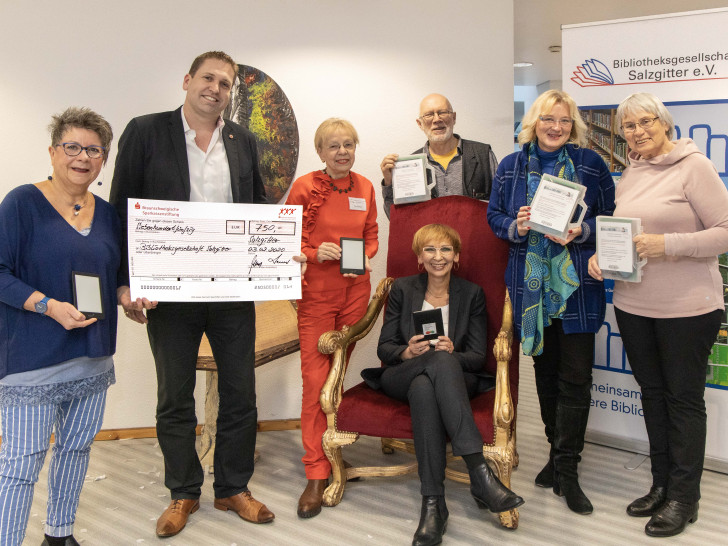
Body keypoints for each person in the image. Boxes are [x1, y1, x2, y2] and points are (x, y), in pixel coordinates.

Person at [109, 51, 274, 538]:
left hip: (231, 289)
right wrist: (127, 281)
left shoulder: (243, 141)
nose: (216, 88)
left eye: (225, 83)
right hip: (168, 290)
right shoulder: (146, 131)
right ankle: (183, 492)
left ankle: (232, 489)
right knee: (174, 396)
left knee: (241, 393)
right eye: (208, 78)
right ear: (187, 80)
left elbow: (259, 209)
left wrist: (274, 254)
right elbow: (122, 209)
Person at [588, 92, 728, 538]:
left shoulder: (695, 166)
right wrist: (600, 259)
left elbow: (725, 232)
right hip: (634, 305)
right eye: (629, 126)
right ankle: (662, 484)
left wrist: (667, 246)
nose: (637, 132)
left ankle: (685, 498)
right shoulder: (630, 172)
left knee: (683, 402)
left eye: (645, 122)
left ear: (665, 123)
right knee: (652, 395)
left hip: (688, 308)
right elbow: (624, 235)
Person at [487, 89, 615, 515]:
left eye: (563, 120)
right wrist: (516, 225)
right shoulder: (511, 165)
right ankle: (555, 456)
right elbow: (494, 218)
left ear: (572, 124)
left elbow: (611, 217)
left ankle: (568, 469)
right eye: (547, 120)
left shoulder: (591, 164)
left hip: (578, 286)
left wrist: (585, 230)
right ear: (534, 123)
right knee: (545, 373)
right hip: (531, 289)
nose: (555, 127)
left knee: (575, 378)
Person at [0, 107, 119, 546]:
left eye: (93, 149)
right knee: (20, 464)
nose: (82, 157)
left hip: (92, 355)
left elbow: (115, 274)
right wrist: (47, 305)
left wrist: (128, 296)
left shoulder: (107, 214)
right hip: (33, 358)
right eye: (72, 147)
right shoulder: (21, 203)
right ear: (52, 152)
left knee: (75, 451)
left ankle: (59, 534)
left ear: (102, 159)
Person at [362, 224, 523, 546]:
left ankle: (433, 505)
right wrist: (408, 350)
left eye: (446, 249)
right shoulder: (404, 289)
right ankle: (479, 472)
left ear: (457, 256)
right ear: (420, 258)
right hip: (403, 371)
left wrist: (452, 352)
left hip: (453, 375)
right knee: (427, 370)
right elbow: (384, 348)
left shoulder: (472, 294)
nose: (439, 257)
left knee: (427, 385)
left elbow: (477, 356)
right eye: (430, 250)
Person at [285, 118, 378, 518]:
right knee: (315, 382)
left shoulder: (366, 187)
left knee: (337, 376)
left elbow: (372, 234)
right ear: (320, 152)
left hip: (356, 293)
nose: (342, 152)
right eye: (333, 146)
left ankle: (334, 449)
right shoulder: (305, 186)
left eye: (348, 145)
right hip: (318, 296)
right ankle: (317, 471)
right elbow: (285, 236)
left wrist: (365, 256)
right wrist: (311, 250)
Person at [379, 93, 498, 218]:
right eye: (429, 115)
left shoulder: (483, 154)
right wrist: (389, 182)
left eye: (442, 112)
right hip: (429, 237)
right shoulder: (411, 165)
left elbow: (503, 203)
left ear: (454, 117)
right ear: (420, 124)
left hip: (475, 236)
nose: (437, 119)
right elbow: (395, 218)